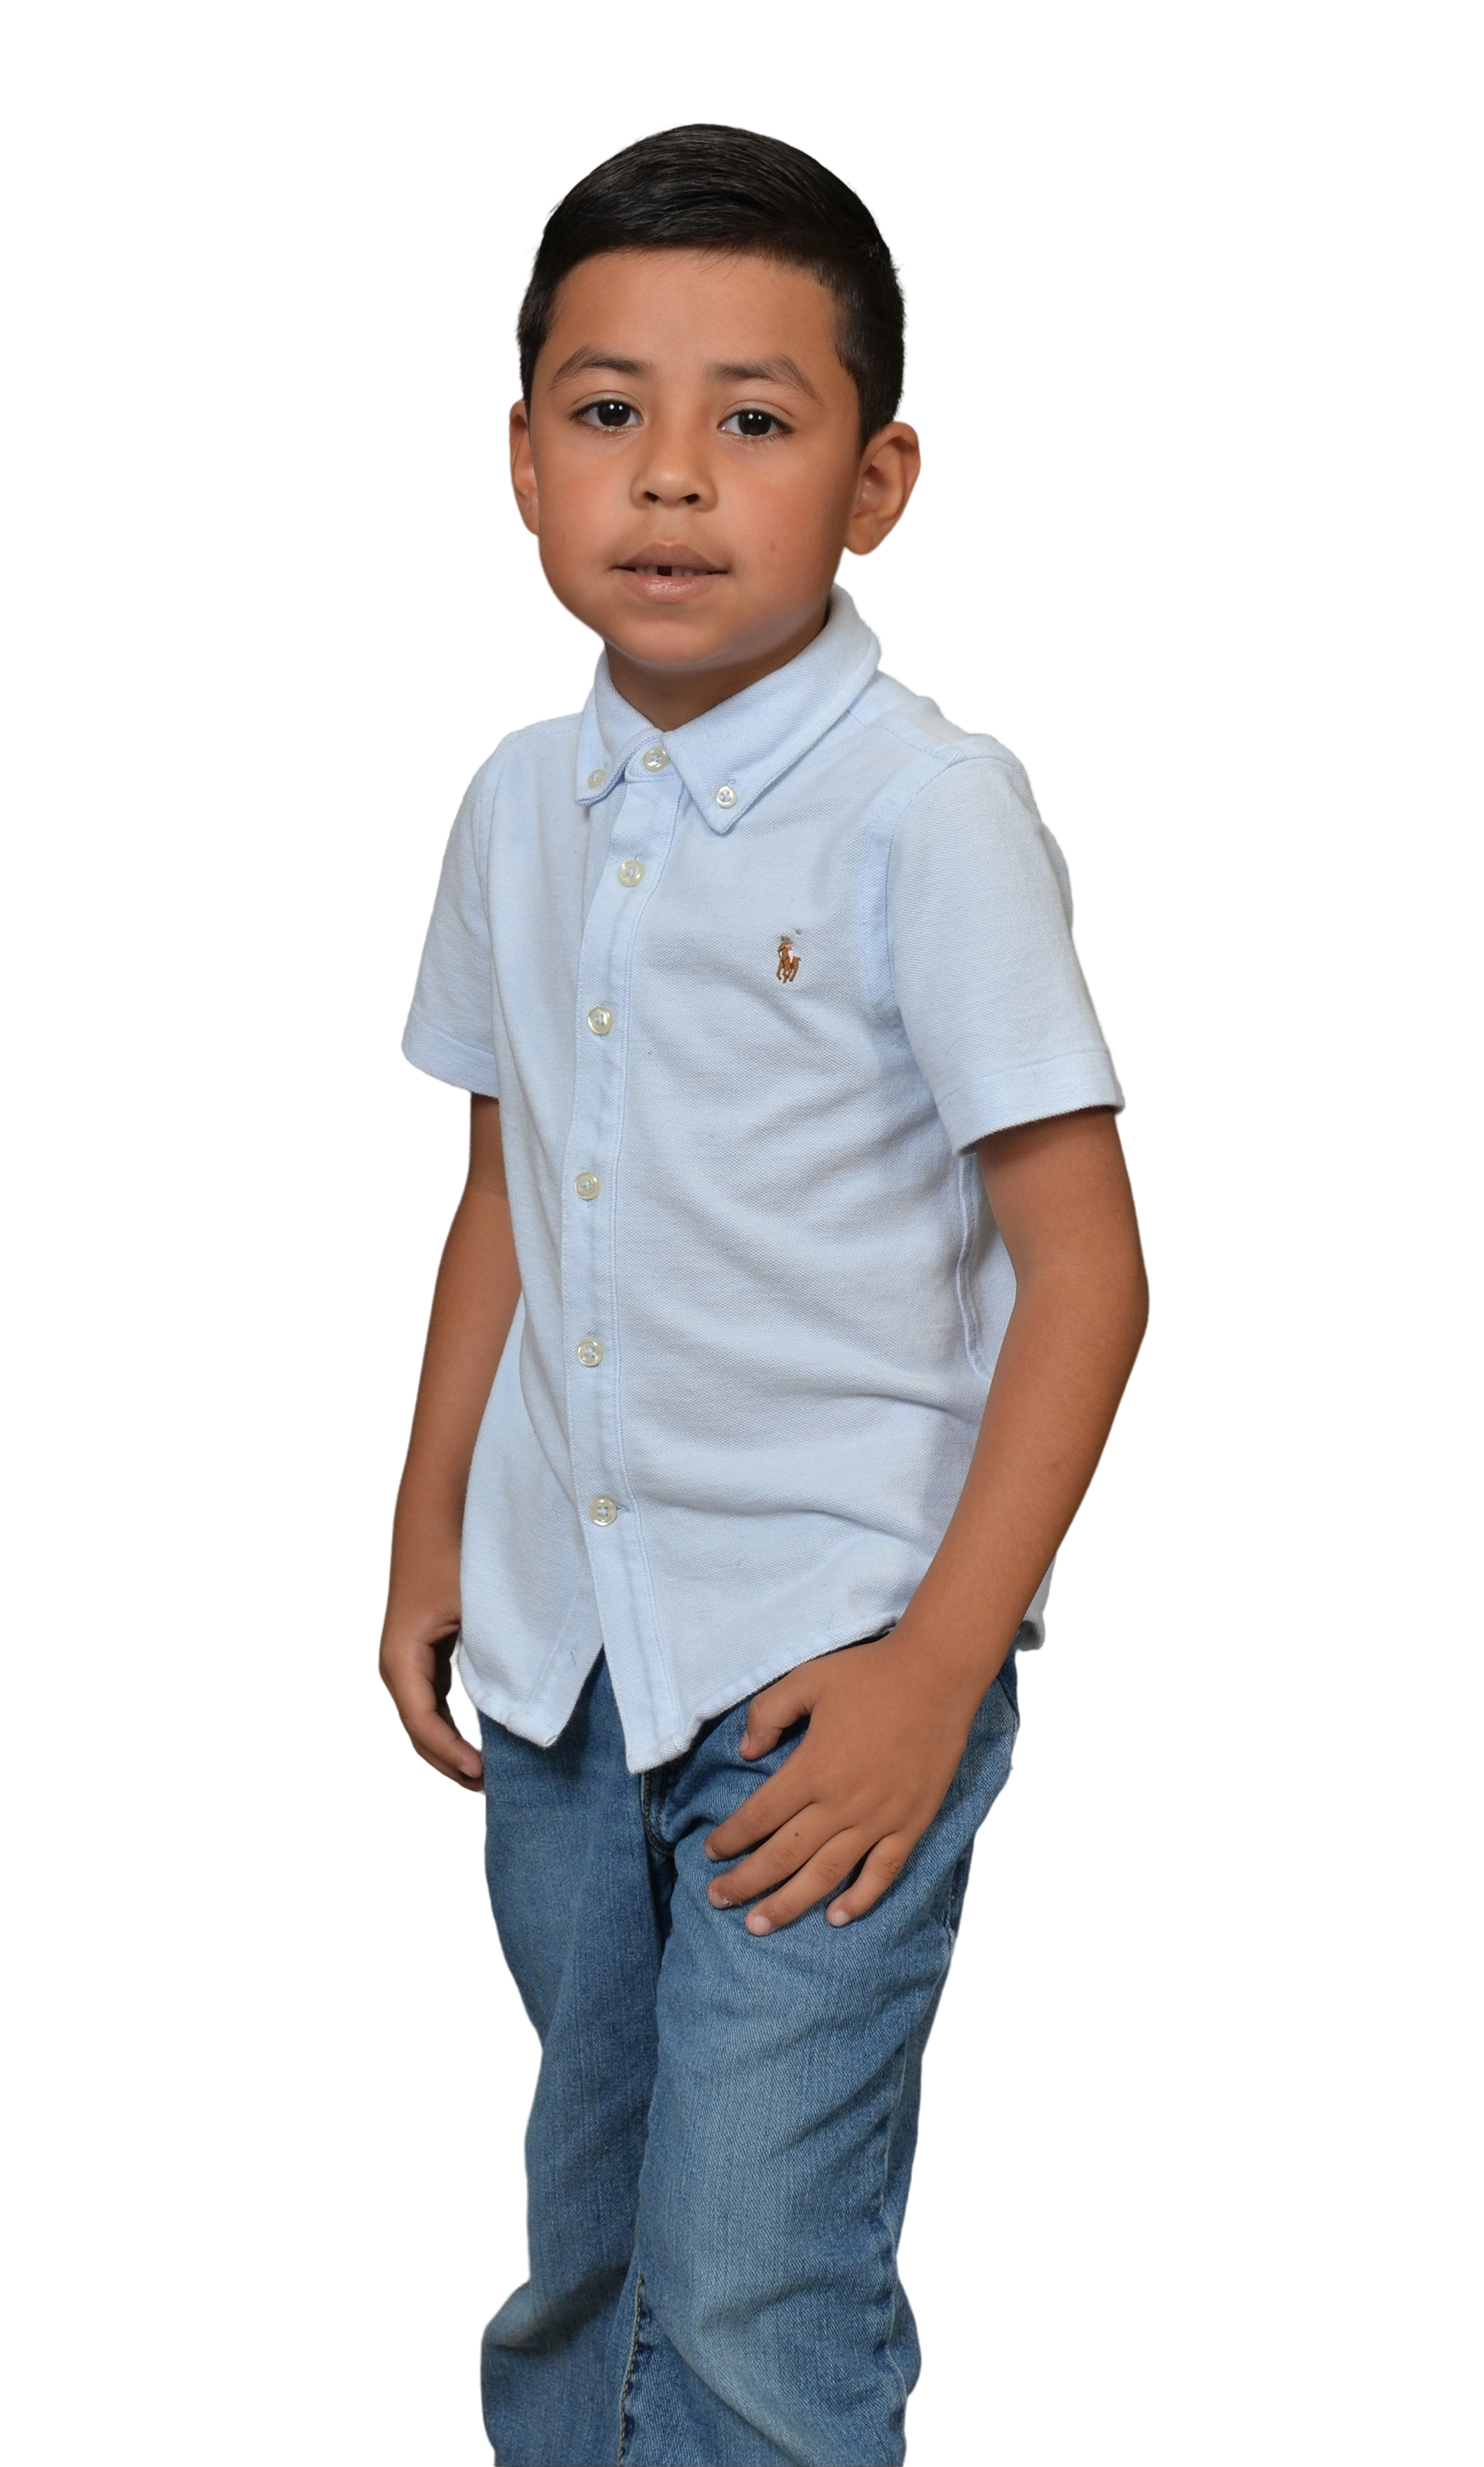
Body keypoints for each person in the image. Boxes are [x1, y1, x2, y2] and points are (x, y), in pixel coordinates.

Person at [379, 119, 1153, 2467]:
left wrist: (939, 1668)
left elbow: (1087, 1267)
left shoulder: (930, 814)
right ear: (524, 461)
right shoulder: (515, 807)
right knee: (588, 2236)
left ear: (879, 479)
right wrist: (429, 1530)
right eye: (611, 409)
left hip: (828, 1661)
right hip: (561, 1647)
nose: (673, 477)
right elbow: (508, 1185)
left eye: (757, 416)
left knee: (751, 2269)